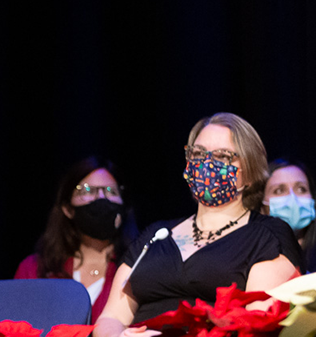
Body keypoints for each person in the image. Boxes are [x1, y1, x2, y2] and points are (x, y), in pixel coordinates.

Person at [94, 112, 302, 337]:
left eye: (223, 156)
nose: (207, 164)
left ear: (250, 172)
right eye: (199, 154)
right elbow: (112, 317)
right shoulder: (156, 234)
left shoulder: (267, 235)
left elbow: (256, 324)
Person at [15, 156, 139, 323]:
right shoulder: (34, 269)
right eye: (88, 190)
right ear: (67, 209)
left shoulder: (138, 268)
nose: (101, 198)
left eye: (111, 191)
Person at [263, 159, 315, 273]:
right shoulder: (257, 258)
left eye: (301, 189)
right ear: (262, 206)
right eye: (279, 191)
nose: (293, 197)